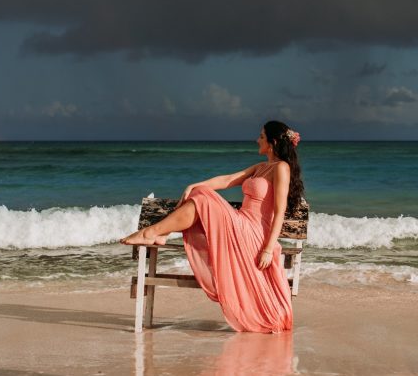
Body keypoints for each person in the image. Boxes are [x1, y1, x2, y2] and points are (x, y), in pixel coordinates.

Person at [120, 120, 305, 333]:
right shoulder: (260, 167)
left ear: (272, 142)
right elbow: (228, 180)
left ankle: (153, 232)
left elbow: (280, 211)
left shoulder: (281, 168)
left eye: (261, 137)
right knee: (201, 194)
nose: (257, 140)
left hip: (254, 234)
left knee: (204, 198)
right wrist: (195, 185)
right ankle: (159, 233)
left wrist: (267, 248)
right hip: (240, 224)